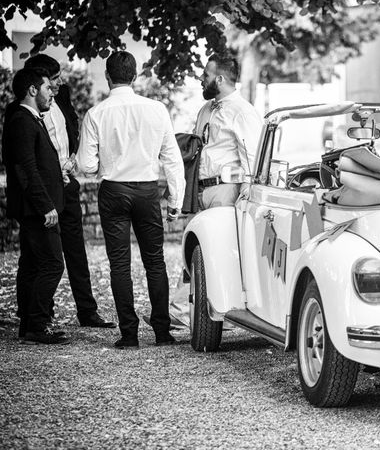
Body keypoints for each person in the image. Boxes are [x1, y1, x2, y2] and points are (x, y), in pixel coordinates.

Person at [77, 51, 185, 349]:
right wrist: (175, 200)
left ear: (108, 77)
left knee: (120, 265)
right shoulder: (156, 110)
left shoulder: (96, 114)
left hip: (113, 191)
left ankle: (129, 334)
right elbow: (173, 160)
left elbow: (86, 166)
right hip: (147, 191)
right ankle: (163, 332)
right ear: (134, 76)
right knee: (155, 262)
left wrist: (106, 163)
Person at [5, 54, 116, 329]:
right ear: (36, 82)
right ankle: (34, 315)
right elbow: (21, 159)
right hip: (41, 191)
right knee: (36, 255)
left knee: (75, 251)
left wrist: (72, 160)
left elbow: (72, 127)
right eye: (53, 80)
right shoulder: (19, 112)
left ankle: (87, 311)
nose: (59, 84)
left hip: (67, 185)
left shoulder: (60, 96)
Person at [163, 55, 263, 328]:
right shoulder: (206, 109)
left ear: (219, 78)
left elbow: (251, 156)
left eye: (206, 74)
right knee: (193, 248)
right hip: (201, 189)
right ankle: (184, 309)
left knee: (222, 250)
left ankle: (222, 312)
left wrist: (246, 193)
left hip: (227, 190)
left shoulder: (242, 111)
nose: (201, 78)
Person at [2, 67, 68, 344]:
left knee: (31, 264)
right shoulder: (22, 120)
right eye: (47, 88)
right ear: (32, 90)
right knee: (53, 264)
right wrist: (45, 206)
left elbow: (37, 163)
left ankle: (29, 323)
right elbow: (26, 169)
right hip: (37, 210)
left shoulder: (28, 118)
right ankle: (38, 325)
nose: (52, 91)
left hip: (35, 208)